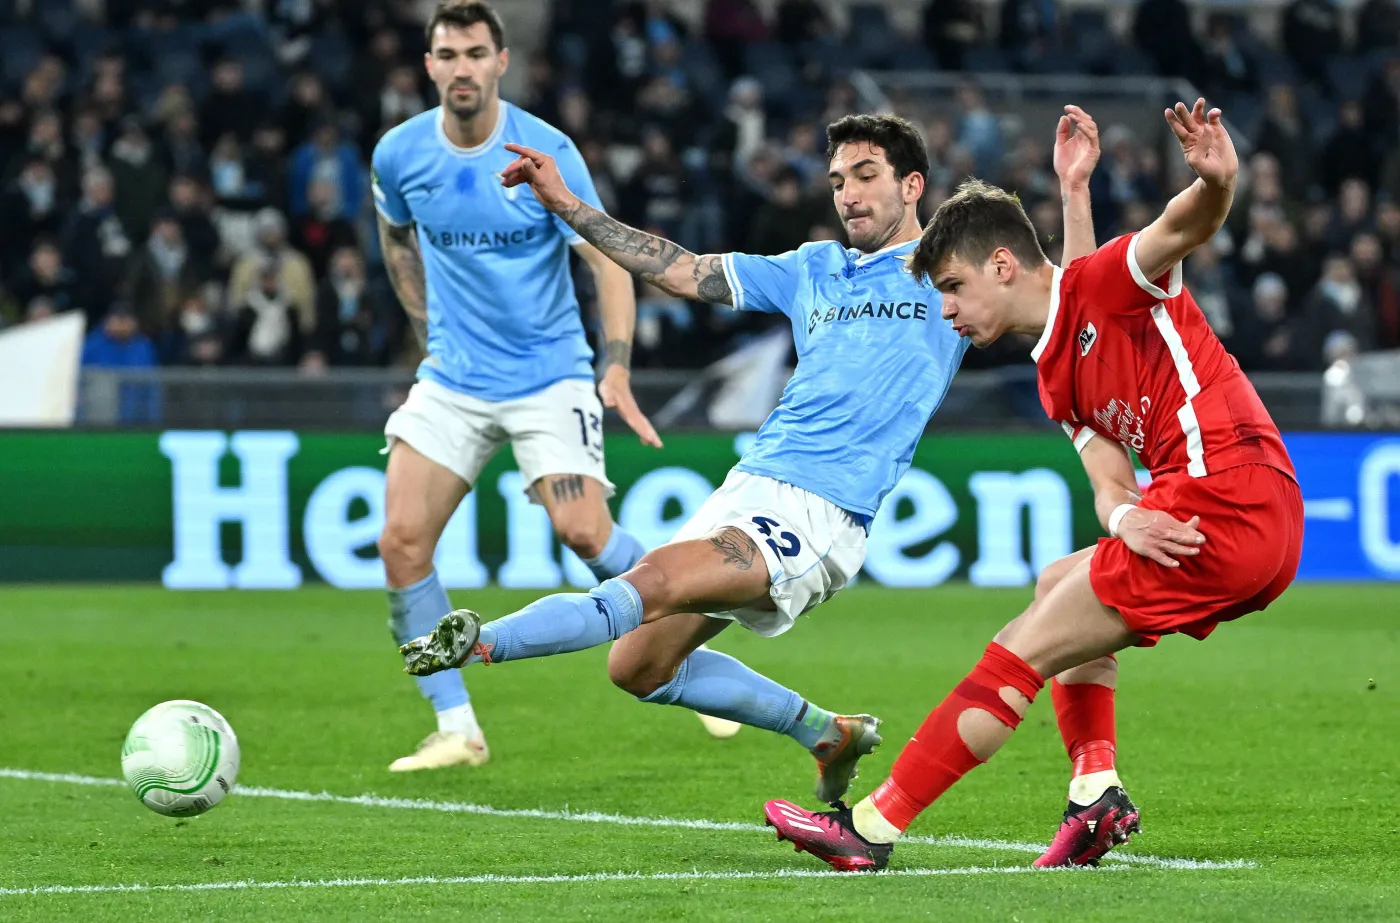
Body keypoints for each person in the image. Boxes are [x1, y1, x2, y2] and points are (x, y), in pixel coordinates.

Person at [763, 100, 1302, 871]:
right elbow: (1110, 482)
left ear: (1002, 265)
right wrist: (1125, 521)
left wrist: (1216, 181)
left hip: (1225, 500)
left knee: (1022, 648)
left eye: (953, 286)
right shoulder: (1058, 372)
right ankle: (1095, 792)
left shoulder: (1117, 279)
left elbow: (1182, 226)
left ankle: (871, 827)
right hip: (1234, 514)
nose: (946, 311)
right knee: (1058, 583)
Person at [398, 111, 977, 805]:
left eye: (865, 176)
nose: (848, 194)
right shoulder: (813, 268)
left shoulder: (952, 275)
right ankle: (826, 732)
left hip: (822, 512)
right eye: (836, 181)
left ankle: (482, 642)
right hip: (750, 485)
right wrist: (566, 204)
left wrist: (1073, 192)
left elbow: (1064, 296)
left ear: (912, 185)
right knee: (636, 665)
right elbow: (680, 270)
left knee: (651, 581)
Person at [370, 1, 666, 772]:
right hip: (454, 379)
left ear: (502, 62)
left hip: (548, 372)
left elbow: (607, 258)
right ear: (428, 66)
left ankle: (684, 627)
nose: (461, 68)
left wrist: (616, 365)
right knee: (401, 542)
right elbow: (396, 240)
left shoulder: (547, 149)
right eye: (447, 54)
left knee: (585, 534)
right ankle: (457, 727)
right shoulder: (400, 154)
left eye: (475, 53)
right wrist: (426, 330)